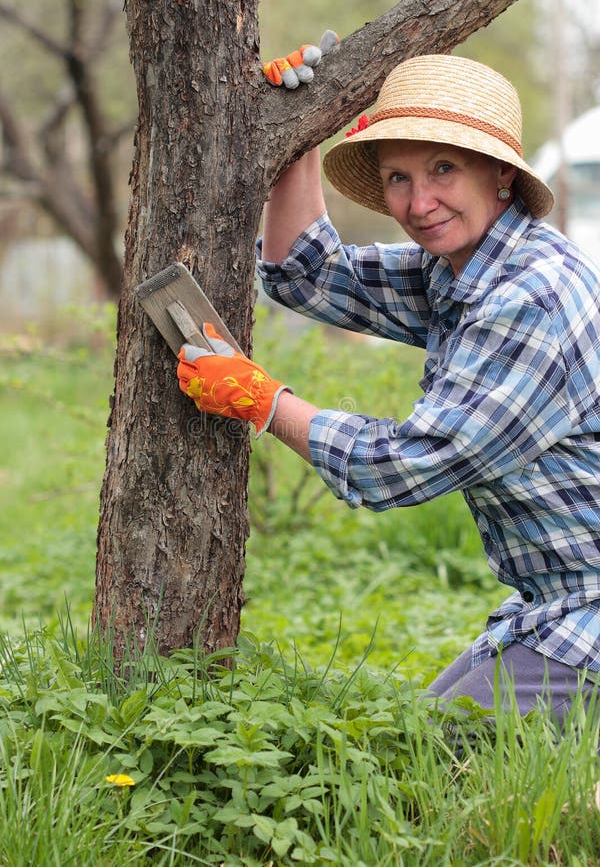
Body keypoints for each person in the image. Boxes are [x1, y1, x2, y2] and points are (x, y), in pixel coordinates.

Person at [176, 53, 600, 723]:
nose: (417, 202)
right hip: (552, 605)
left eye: (442, 169)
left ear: (501, 176)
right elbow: (306, 275)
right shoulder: (461, 270)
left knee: (427, 756)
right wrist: (298, 138)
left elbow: (401, 468)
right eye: (397, 177)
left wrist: (265, 402)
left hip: (590, 616)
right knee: (423, 738)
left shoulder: (531, 297)